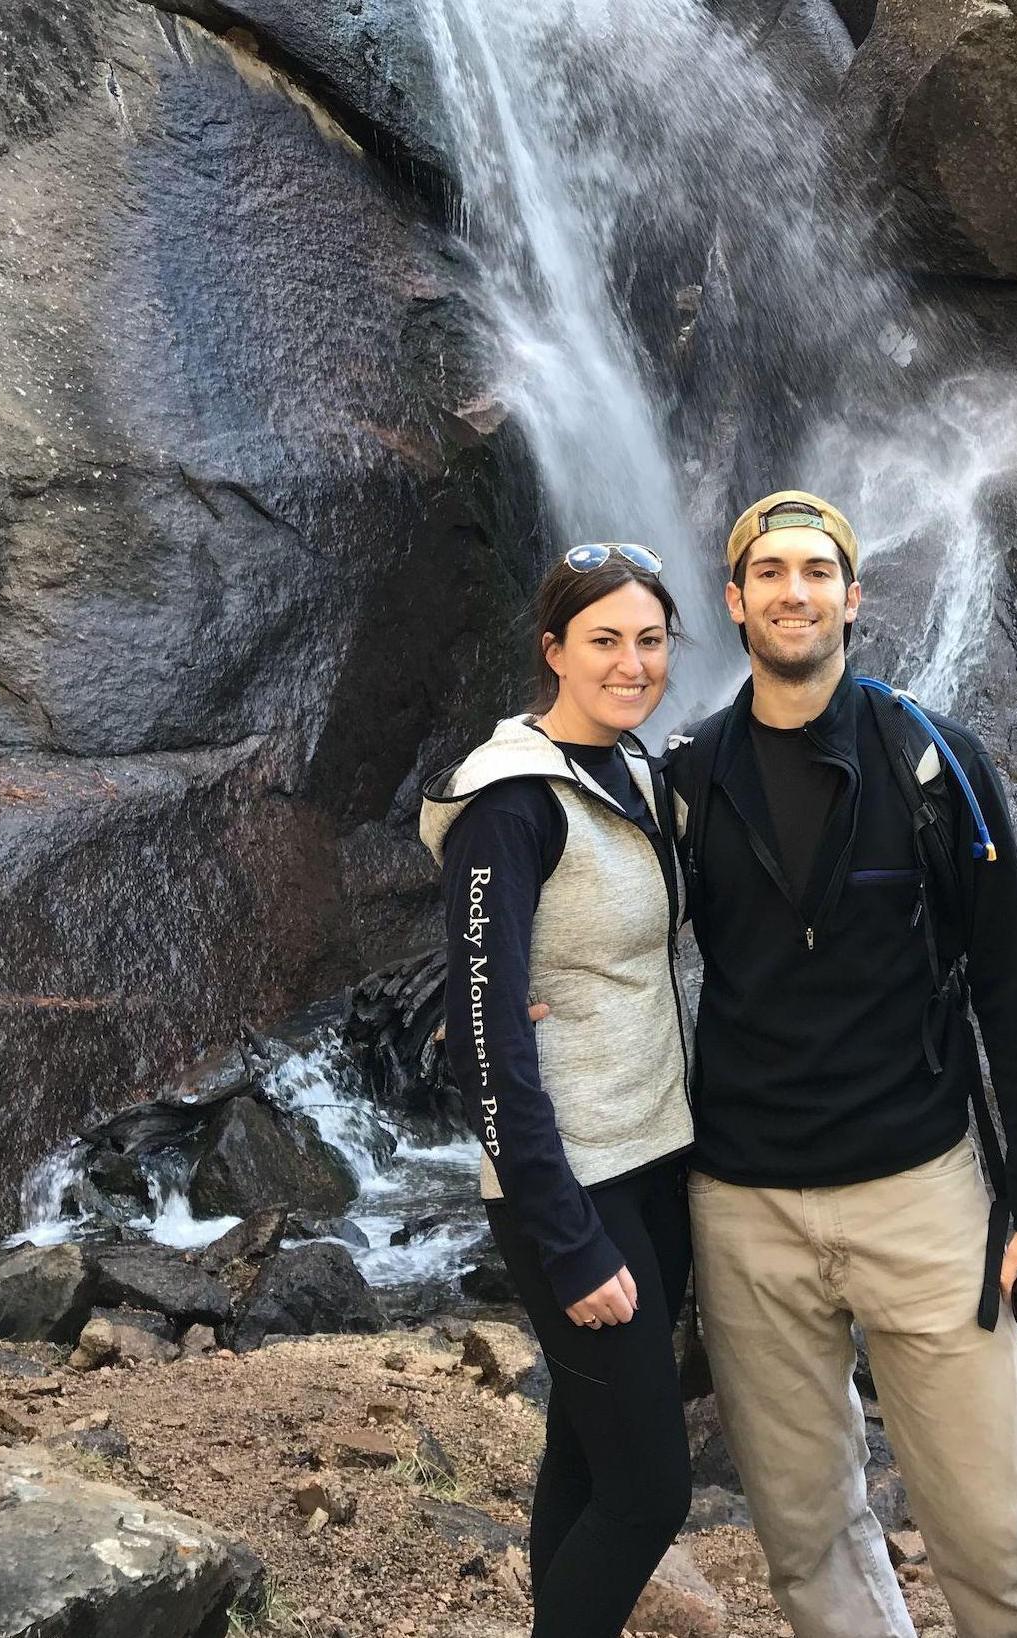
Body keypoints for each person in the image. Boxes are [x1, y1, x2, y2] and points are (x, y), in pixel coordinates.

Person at [667, 491, 1017, 1638]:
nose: (792, 592)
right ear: (734, 600)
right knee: (806, 1544)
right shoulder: (690, 776)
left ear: (853, 598)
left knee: (992, 1532)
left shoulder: (938, 764)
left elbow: (1012, 987)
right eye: (769, 573)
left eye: (815, 571)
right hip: (744, 1207)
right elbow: (618, 954)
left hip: (923, 1196)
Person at [420, 544, 694, 1638]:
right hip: (573, 1186)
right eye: (603, 641)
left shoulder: (631, 771)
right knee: (650, 1493)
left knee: (586, 1450)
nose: (630, 664)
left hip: (654, 1153)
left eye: (649, 640)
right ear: (553, 652)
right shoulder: (510, 805)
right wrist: (563, 1231)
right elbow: (484, 1033)